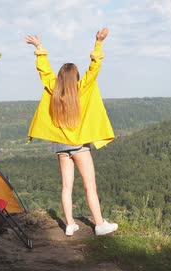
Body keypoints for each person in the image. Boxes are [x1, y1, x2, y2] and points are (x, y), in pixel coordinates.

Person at [25, 27, 118, 236]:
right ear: (76, 76)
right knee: (89, 187)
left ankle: (69, 224)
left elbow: (44, 72)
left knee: (66, 187)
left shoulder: (53, 89)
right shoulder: (81, 88)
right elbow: (94, 68)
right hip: (80, 147)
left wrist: (40, 48)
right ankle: (100, 224)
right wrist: (99, 42)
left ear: (60, 77)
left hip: (60, 147)